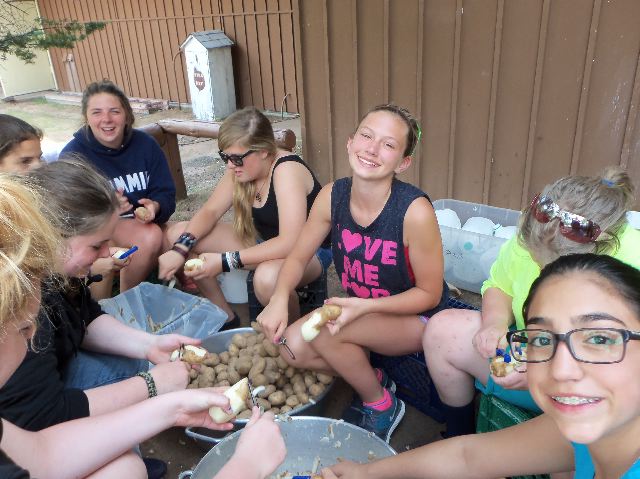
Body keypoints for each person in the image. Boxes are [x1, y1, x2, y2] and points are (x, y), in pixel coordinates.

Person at [0, 172, 286, 479]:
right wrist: (247, 466)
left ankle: (118, 453)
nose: (108, 253)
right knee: (124, 466)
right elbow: (46, 417)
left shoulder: (53, 276)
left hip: (45, 408)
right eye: (24, 329)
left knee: (127, 457)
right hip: (46, 406)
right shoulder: (33, 308)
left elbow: (43, 455)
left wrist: (152, 353)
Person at [322, 254, 640, 478]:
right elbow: (468, 456)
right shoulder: (585, 431)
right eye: (542, 339)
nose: (561, 370)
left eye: (600, 338)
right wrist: (366, 473)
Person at [257, 104, 449, 442]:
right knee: (290, 348)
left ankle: (381, 404)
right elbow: (298, 257)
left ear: (403, 162)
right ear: (350, 142)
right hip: (362, 311)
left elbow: (429, 295)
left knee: (326, 332)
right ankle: (374, 378)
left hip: (418, 318)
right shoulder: (332, 195)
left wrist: (364, 307)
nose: (372, 149)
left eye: (388, 145)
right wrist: (278, 298)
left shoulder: (413, 211)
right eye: (366, 136)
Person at [421, 168, 640, 438]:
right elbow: (500, 285)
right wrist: (494, 324)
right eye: (536, 262)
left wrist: (546, 375)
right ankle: (459, 433)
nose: (542, 276)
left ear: (602, 250)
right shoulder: (540, 229)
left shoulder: (634, 262)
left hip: (600, 389)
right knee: (442, 331)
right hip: (531, 352)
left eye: (553, 268)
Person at [158, 106, 331, 329]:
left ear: (264, 151)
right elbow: (210, 211)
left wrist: (225, 261)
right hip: (265, 241)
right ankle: (227, 320)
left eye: (236, 158)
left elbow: (290, 242)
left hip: (310, 250)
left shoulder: (286, 170)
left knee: (267, 279)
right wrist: (180, 249)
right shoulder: (240, 168)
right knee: (179, 234)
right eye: (225, 157)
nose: (230, 165)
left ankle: (292, 337)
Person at [61, 79, 176, 296]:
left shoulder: (146, 145)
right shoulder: (74, 154)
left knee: (186, 235)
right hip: (99, 230)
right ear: (86, 117)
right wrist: (107, 207)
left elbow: (166, 193)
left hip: (144, 226)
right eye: (97, 112)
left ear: (127, 115)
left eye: (114, 111)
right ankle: (125, 299)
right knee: (151, 236)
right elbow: (69, 212)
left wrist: (155, 206)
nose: (106, 119)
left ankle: (161, 285)